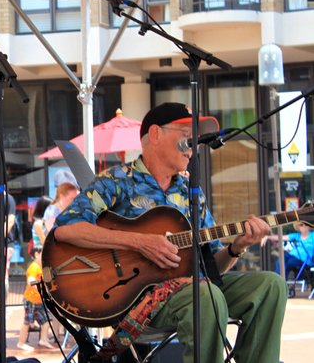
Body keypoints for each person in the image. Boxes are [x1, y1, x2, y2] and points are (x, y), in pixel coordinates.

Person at [53, 102, 287, 363]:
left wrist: (237, 247)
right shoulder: (117, 181)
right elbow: (66, 229)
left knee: (270, 285)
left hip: (194, 293)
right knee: (206, 298)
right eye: (186, 137)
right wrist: (140, 242)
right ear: (155, 134)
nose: (194, 145)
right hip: (137, 300)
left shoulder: (191, 192)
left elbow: (212, 270)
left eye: (195, 139)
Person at [16, 245, 54, 351]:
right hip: (31, 300)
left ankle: (43, 339)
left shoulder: (42, 268)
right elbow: (30, 282)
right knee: (27, 322)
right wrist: (41, 287)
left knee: (46, 321)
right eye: (43, 255)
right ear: (37, 254)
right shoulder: (34, 267)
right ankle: (21, 343)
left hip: (39, 300)